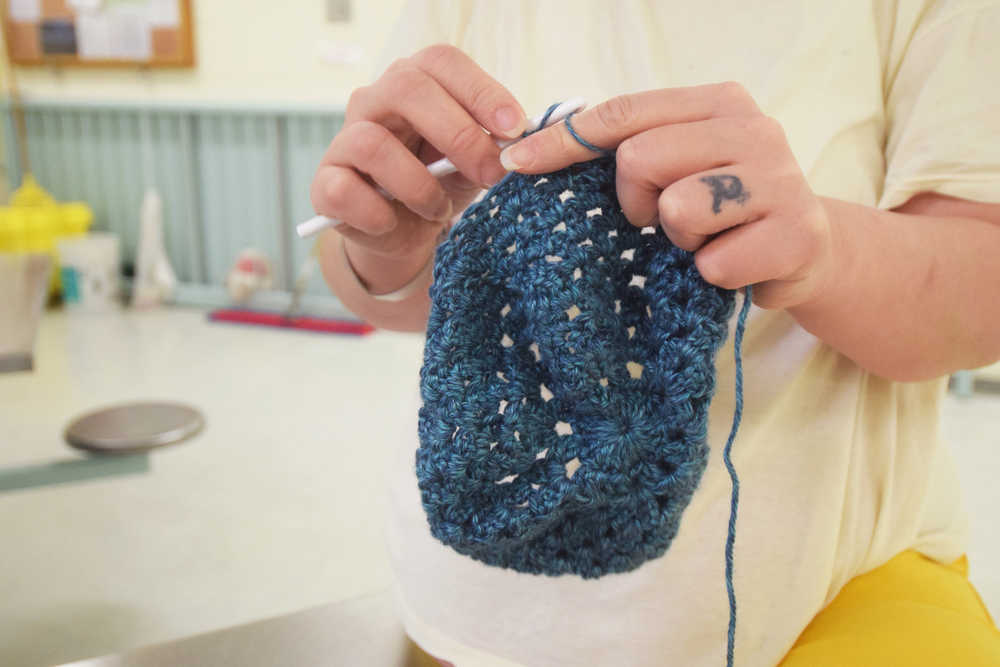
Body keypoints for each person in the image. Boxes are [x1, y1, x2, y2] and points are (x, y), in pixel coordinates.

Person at [311, 1, 1000, 665]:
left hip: (823, 597)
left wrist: (822, 250)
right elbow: (398, 297)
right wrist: (382, 238)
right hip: (465, 613)